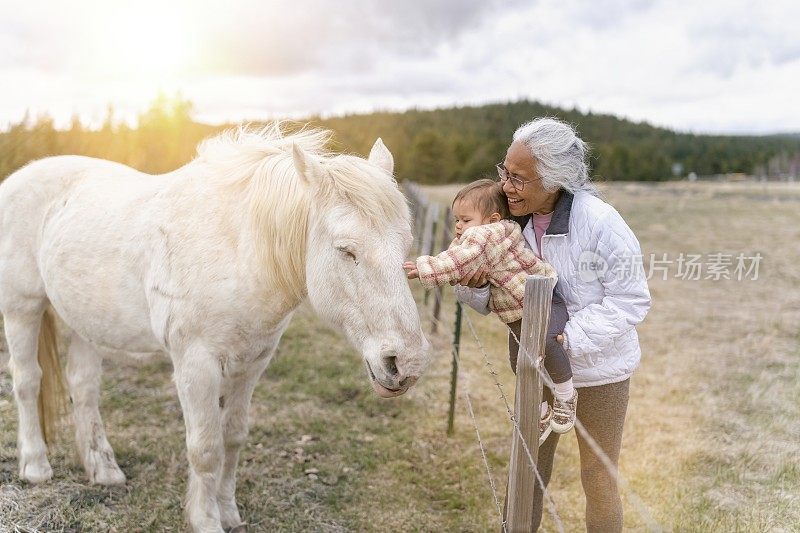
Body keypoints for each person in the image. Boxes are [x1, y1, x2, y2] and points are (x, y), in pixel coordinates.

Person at [454, 118, 651, 532]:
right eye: (504, 172)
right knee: (525, 473)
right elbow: (498, 295)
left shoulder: (601, 222)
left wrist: (563, 342)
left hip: (601, 376)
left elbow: (631, 299)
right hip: (537, 372)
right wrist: (472, 286)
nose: (506, 186)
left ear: (556, 180)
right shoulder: (504, 222)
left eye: (519, 179)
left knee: (598, 479)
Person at [404, 179, 578, 432]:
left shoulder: (487, 235)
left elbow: (457, 263)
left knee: (549, 341)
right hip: (519, 314)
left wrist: (424, 268)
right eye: (457, 220)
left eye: (466, 219)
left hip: (546, 302)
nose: (459, 226)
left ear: (491, 219)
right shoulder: (476, 238)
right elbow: (456, 261)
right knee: (518, 361)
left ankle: (566, 395)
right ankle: (538, 408)